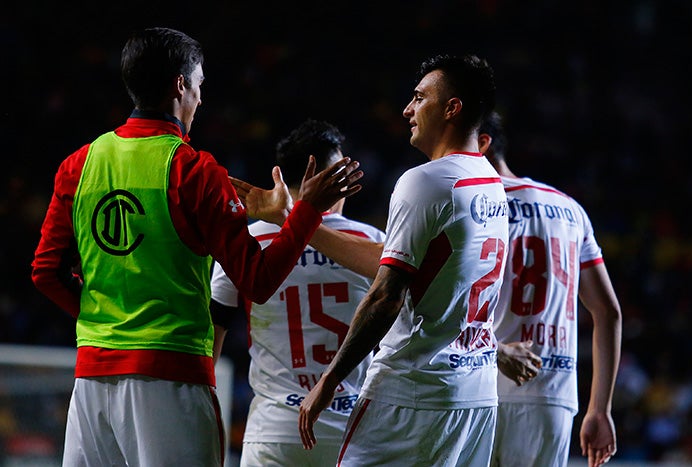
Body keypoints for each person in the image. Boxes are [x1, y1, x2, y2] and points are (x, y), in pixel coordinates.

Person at [30, 27, 362, 467]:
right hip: (171, 380)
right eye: (199, 85)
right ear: (180, 85)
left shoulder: (80, 163)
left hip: (92, 382)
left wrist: (102, 319)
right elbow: (257, 281)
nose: (201, 99)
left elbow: (45, 272)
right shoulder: (194, 169)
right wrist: (306, 212)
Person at [294, 54, 509, 466]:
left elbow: (385, 296)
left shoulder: (425, 180)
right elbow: (397, 263)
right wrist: (297, 223)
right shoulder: (489, 183)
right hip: (474, 393)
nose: (408, 110)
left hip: (412, 391)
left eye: (419, 97)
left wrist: (331, 378)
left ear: (452, 107)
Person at [210, 119, 385, 466]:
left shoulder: (248, 241)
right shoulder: (373, 244)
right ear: (336, 180)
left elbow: (210, 342)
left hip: (275, 431)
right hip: (352, 431)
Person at [479, 111, 622, 467]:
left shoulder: (476, 203)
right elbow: (608, 313)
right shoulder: (570, 210)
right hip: (555, 397)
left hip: (485, 390)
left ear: (479, 145)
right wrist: (600, 409)